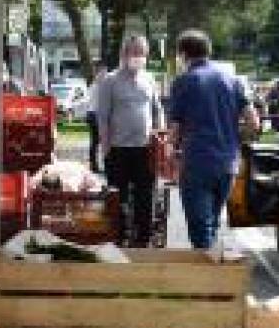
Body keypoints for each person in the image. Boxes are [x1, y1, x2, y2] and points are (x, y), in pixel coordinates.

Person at [168, 31, 258, 250]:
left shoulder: (184, 82)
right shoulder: (233, 80)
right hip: (228, 162)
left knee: (200, 228)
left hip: (197, 161)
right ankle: (213, 270)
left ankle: (206, 279)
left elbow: (175, 128)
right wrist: (238, 140)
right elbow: (253, 121)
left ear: (183, 54)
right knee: (213, 223)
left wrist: (172, 151)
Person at [96, 36, 163, 247]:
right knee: (118, 199)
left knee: (146, 197)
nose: (138, 57)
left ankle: (143, 239)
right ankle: (118, 238)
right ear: (124, 54)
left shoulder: (150, 79)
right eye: (134, 52)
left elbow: (157, 109)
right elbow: (103, 116)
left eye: (142, 53)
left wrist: (160, 134)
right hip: (118, 150)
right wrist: (105, 147)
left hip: (145, 150)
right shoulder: (110, 81)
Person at [85, 67, 105, 173]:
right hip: (96, 115)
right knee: (98, 141)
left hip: (92, 114)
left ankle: (94, 164)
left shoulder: (93, 86)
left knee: (95, 141)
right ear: (97, 74)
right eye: (102, 73)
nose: (104, 76)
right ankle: (95, 164)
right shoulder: (99, 87)